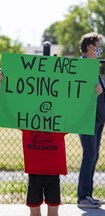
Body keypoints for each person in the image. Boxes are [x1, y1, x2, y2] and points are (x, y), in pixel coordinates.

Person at [0, 72, 68, 216]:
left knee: (53, 212)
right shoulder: (27, 124)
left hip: (53, 174)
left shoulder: (59, 125)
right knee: (34, 212)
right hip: (34, 174)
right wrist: (1, 85)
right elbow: (9, 109)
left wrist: (94, 96)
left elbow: (79, 112)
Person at [77, 32, 105, 208]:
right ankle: (83, 197)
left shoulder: (93, 67)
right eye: (98, 46)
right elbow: (77, 93)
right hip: (87, 118)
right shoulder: (81, 66)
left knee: (93, 156)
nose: (100, 50)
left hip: (97, 119)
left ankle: (88, 195)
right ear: (89, 47)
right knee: (89, 155)